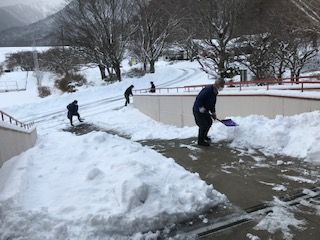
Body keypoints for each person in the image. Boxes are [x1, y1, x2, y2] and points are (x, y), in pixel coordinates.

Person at [192, 78, 225, 146]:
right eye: (221, 85)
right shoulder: (208, 90)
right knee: (203, 125)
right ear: (217, 84)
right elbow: (199, 98)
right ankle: (200, 141)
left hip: (205, 110)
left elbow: (212, 104)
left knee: (209, 122)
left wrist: (213, 113)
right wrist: (200, 107)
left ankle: (204, 136)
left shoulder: (215, 91)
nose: (222, 87)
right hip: (198, 110)